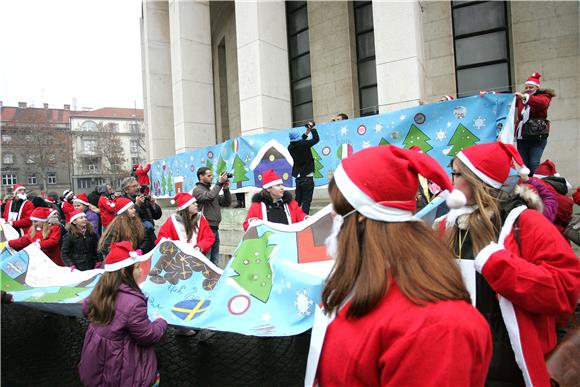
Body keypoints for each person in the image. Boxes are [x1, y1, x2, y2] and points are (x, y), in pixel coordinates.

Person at [309, 146, 492, 386]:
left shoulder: (437, 329)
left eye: (338, 207)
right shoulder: (362, 284)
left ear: (363, 216)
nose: (331, 215)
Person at [437, 142, 580, 386]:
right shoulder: (444, 226)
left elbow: (565, 291)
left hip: (509, 371)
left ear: (477, 180)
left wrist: (498, 265)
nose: (451, 181)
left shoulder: (526, 224)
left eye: (457, 173)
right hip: (458, 366)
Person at [78, 241, 167, 387]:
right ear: (124, 272)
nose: (141, 271)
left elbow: (86, 309)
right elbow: (147, 336)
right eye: (137, 267)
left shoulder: (101, 289)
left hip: (96, 357)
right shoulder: (134, 303)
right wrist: (161, 322)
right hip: (121, 365)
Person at [514, 72, 555, 176]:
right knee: (524, 167)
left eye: (530, 87)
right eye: (526, 87)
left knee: (533, 165)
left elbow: (541, 103)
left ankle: (536, 186)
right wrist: (489, 94)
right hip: (522, 136)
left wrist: (524, 98)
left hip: (537, 136)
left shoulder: (545, 96)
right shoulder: (521, 98)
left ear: (537, 87)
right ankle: (529, 187)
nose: (528, 89)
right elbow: (505, 99)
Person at [192, 167, 232, 265]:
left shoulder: (212, 191)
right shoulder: (197, 190)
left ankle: (214, 280)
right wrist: (219, 183)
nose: (211, 178)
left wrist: (226, 189)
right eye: (209, 175)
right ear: (201, 177)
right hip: (205, 230)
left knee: (215, 260)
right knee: (206, 261)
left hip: (215, 229)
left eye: (212, 176)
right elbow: (209, 197)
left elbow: (226, 203)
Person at [120, 177, 162, 254]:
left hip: (150, 236)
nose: (138, 188)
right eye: (134, 186)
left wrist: (153, 204)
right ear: (126, 190)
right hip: (137, 240)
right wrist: (137, 205)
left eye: (137, 185)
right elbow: (128, 220)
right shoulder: (122, 202)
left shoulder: (142, 198)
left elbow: (157, 216)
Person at [288, 121, 320, 214]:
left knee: (298, 200)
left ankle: (294, 217)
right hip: (307, 177)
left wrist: (307, 132)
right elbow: (316, 139)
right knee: (306, 200)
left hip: (298, 178)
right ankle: (304, 220)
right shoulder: (304, 144)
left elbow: (300, 141)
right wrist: (312, 129)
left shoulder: (290, 147)